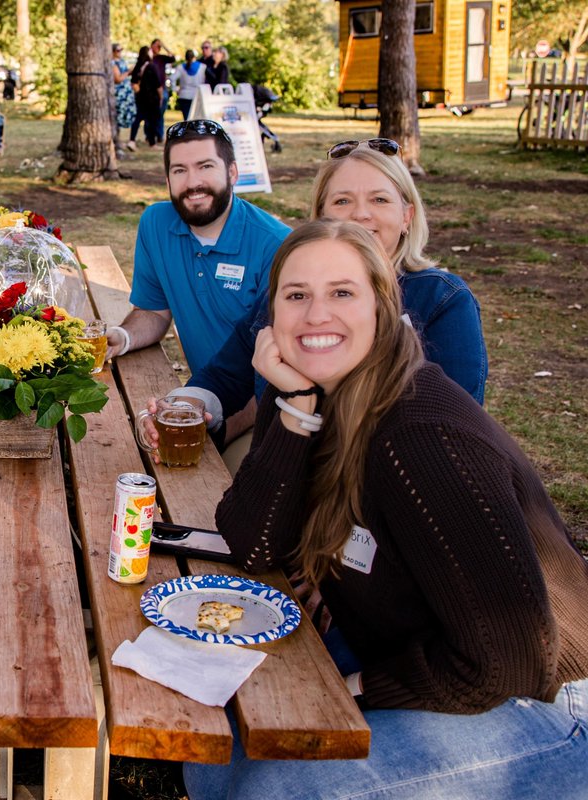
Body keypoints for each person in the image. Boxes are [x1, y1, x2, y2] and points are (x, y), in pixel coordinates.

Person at [181, 219, 588, 799]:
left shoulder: (422, 435)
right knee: (212, 753)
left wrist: (357, 687)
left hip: (547, 700)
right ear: (270, 315)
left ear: (382, 305)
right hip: (418, 648)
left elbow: (509, 661)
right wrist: (293, 410)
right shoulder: (306, 390)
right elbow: (255, 544)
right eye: (296, 296)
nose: (316, 315)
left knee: (276, 790)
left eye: (342, 292)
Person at [175, 140, 488, 465]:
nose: (360, 214)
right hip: (283, 461)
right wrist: (184, 406)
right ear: (321, 217)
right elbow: (225, 376)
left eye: (379, 199)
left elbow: (456, 428)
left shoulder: (442, 300)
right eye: (342, 201)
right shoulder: (289, 293)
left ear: (406, 216)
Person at [105, 119, 290, 373]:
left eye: (205, 166)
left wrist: (207, 395)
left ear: (232, 172)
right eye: (180, 170)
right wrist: (123, 337)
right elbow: (154, 312)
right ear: (168, 181)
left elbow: (283, 359)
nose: (193, 183)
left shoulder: (277, 245)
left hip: (258, 394)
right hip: (203, 392)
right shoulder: (156, 224)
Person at [131, 46, 161, 148]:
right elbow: (158, 84)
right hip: (152, 98)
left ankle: (132, 140)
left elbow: (133, 82)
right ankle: (152, 142)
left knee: (138, 118)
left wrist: (138, 92)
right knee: (152, 120)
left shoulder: (138, 66)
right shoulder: (152, 66)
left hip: (140, 97)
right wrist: (160, 97)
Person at [148, 39, 176, 143]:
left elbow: (172, 58)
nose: (158, 48)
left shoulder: (161, 58)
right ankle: (150, 135)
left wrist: (164, 46)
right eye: (156, 46)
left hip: (162, 88)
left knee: (160, 112)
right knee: (150, 114)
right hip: (150, 90)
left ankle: (159, 134)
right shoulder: (148, 58)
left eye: (159, 46)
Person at [111, 43, 136, 146]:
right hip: (119, 93)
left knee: (123, 117)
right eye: (118, 50)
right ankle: (115, 140)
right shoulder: (112, 63)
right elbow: (117, 79)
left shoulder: (121, 61)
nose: (120, 52)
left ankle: (117, 139)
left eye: (121, 50)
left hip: (126, 93)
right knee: (117, 117)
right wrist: (128, 72)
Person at [171, 49, 205, 120]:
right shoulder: (202, 67)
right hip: (197, 95)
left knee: (187, 118)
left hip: (184, 95)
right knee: (197, 118)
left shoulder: (181, 67)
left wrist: (175, 89)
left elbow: (172, 78)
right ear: (194, 57)